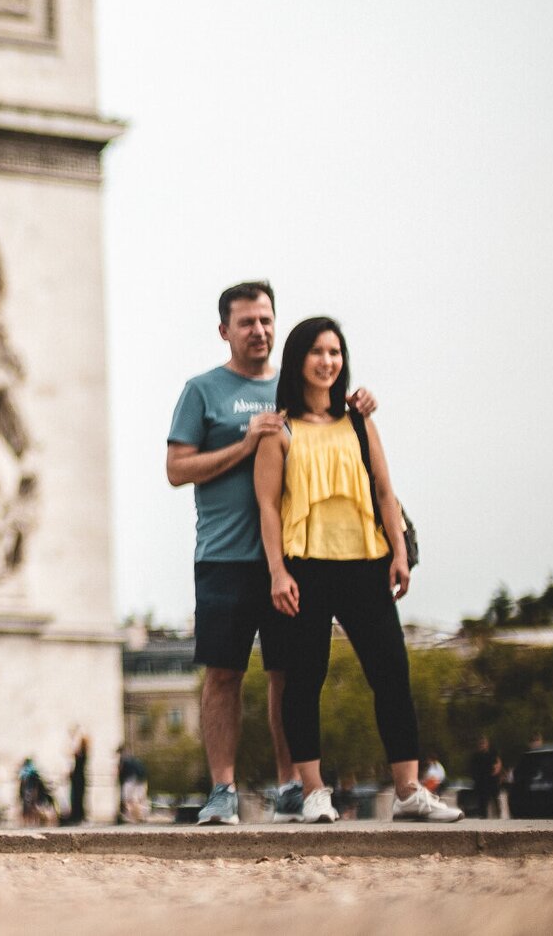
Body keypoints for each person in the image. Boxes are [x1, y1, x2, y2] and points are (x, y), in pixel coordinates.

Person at [167, 282, 375, 826]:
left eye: (266, 320)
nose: (258, 331)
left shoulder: (294, 386)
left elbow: (339, 425)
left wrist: (360, 403)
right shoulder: (202, 391)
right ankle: (222, 790)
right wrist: (243, 443)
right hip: (224, 557)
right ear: (224, 331)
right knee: (224, 674)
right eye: (246, 322)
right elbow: (175, 470)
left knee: (289, 674)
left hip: (295, 558)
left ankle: (290, 786)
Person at [253, 316, 461, 826]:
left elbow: (385, 491)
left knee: (391, 673)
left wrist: (399, 552)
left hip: (365, 563)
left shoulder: (360, 421)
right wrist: (278, 571)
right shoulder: (278, 430)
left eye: (336, 352)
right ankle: (315, 791)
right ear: (299, 359)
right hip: (305, 567)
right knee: (305, 680)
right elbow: (268, 508)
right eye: (318, 352)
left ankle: (409, 790)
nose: (328, 361)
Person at [468, 736, 503, 819]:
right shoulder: (475, 756)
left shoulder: (493, 753)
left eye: (483, 743)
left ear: (487, 744)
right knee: (482, 800)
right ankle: (483, 816)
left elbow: (498, 764)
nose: (482, 745)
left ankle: (498, 815)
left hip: (492, 780)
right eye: (480, 744)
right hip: (481, 781)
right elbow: (472, 768)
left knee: (495, 798)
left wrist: (497, 774)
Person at [117, 745, 149, 824]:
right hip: (141, 780)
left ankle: (130, 816)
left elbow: (120, 772)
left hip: (130, 780)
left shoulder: (124, 760)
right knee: (139, 799)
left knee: (128, 799)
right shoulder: (136, 760)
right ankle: (141, 816)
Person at [63, 733, 89, 825]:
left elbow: (71, 752)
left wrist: (72, 738)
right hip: (79, 778)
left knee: (77, 798)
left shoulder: (81, 754)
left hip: (78, 779)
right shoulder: (83, 754)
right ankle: (78, 816)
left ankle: (77, 816)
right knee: (78, 798)